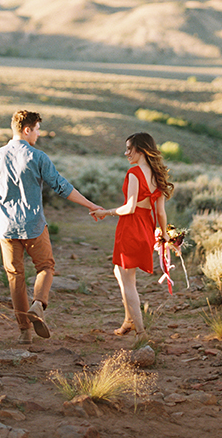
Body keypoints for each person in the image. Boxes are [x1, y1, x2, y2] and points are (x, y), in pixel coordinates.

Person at [0, 109, 102, 345]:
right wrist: (90, 204)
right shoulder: (38, 157)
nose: (38, 135)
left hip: (6, 228)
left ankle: (25, 333)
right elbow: (62, 187)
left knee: (15, 278)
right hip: (34, 224)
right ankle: (38, 304)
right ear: (27, 130)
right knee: (46, 266)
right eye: (37, 130)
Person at [92, 133, 174, 338]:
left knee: (128, 281)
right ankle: (128, 320)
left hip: (130, 227)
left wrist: (105, 212)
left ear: (142, 150)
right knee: (120, 272)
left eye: (130, 149)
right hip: (146, 227)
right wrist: (164, 234)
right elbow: (161, 212)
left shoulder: (134, 173)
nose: (126, 152)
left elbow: (129, 207)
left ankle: (141, 332)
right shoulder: (158, 175)